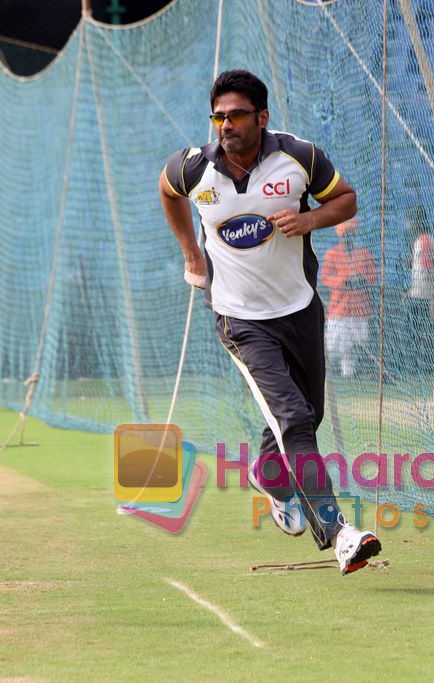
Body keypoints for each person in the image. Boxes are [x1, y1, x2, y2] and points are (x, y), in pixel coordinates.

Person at [158, 69, 381, 574]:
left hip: (300, 309)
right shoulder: (194, 169)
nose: (225, 125)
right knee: (295, 420)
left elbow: (345, 199)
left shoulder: (298, 157)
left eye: (236, 115)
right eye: (218, 116)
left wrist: (307, 220)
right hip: (240, 320)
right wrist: (191, 252)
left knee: (306, 414)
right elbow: (167, 191)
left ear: (261, 116)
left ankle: (270, 475)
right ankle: (340, 533)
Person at [320, 217, 377, 379]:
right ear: (340, 236)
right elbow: (325, 278)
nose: (348, 237)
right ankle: (327, 373)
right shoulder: (332, 254)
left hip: (360, 308)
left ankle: (348, 374)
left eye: (350, 234)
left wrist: (362, 280)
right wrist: (343, 282)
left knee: (355, 346)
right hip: (339, 308)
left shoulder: (364, 253)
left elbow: (372, 275)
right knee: (333, 345)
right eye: (345, 234)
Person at [405, 205, 434, 375]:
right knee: (420, 333)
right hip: (420, 293)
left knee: (422, 334)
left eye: (409, 221)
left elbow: (430, 271)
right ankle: (422, 369)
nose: (407, 225)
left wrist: (432, 298)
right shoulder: (421, 240)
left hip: (424, 297)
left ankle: (425, 369)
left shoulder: (424, 241)